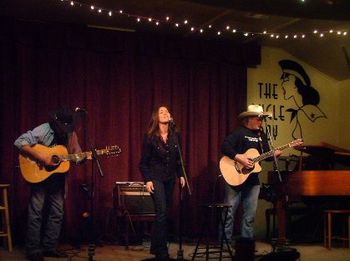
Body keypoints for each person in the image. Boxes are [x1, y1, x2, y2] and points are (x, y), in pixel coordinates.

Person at [14, 106, 86, 261]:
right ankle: (33, 250)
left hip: (57, 177)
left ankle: (49, 247)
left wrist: (81, 158)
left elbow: (76, 152)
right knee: (36, 212)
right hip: (38, 174)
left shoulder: (71, 134)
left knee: (57, 212)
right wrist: (42, 158)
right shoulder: (44, 129)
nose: (64, 130)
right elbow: (20, 142)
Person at [221, 105, 282, 243]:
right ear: (248, 119)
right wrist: (239, 157)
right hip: (235, 178)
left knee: (250, 216)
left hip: (253, 181)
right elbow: (224, 147)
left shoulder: (262, 136)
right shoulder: (238, 132)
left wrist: (274, 155)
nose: (261, 121)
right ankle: (224, 243)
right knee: (229, 213)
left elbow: (265, 156)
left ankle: (246, 245)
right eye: (258, 118)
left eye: (262, 118)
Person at [139, 106, 186, 260]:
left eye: (167, 111)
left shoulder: (175, 135)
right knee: (162, 211)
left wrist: (181, 175)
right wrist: (148, 180)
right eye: (161, 112)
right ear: (156, 117)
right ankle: (161, 251)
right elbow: (143, 163)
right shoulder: (150, 137)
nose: (165, 113)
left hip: (170, 179)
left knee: (164, 213)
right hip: (156, 178)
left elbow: (178, 158)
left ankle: (155, 246)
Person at [279, 59, 326, 139]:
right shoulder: (303, 110)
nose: (282, 84)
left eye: (286, 80)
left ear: (296, 85)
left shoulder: (307, 110)